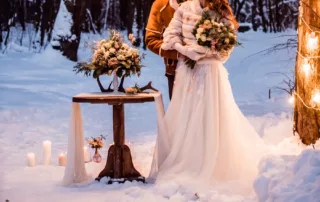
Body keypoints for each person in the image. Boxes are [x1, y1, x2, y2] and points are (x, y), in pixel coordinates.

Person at [148, 0, 266, 194]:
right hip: (187, 73)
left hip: (211, 74)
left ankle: (213, 163)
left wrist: (202, 52)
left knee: (212, 116)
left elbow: (225, 52)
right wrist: (185, 50)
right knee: (187, 117)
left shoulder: (222, 11)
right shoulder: (186, 8)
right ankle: (189, 161)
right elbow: (169, 35)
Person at [145, 0, 184, 99]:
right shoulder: (161, 4)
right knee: (178, 113)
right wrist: (178, 53)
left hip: (205, 69)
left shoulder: (202, 2)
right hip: (175, 70)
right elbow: (151, 40)